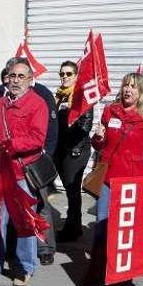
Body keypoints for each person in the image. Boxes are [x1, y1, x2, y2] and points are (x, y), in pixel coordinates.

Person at [0, 58, 49, 286]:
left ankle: (24, 267)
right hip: (0, 172)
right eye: (12, 76)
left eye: (21, 76)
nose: (15, 80)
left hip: (21, 174)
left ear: (31, 80)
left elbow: (37, 139)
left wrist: (8, 145)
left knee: (24, 222)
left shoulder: (37, 104)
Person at [86, 72, 143, 284]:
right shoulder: (110, 110)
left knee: (127, 228)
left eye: (134, 87)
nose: (128, 89)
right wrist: (98, 138)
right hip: (109, 176)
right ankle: (97, 269)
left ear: (142, 92)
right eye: (126, 85)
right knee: (102, 223)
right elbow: (100, 145)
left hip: (135, 179)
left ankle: (123, 273)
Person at [51, 60, 92, 243]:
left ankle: (72, 229)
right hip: (61, 149)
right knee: (69, 190)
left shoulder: (81, 97)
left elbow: (85, 127)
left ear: (76, 76)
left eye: (68, 74)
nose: (64, 77)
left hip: (76, 151)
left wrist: (68, 121)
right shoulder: (59, 96)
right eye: (62, 74)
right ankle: (74, 225)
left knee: (73, 190)